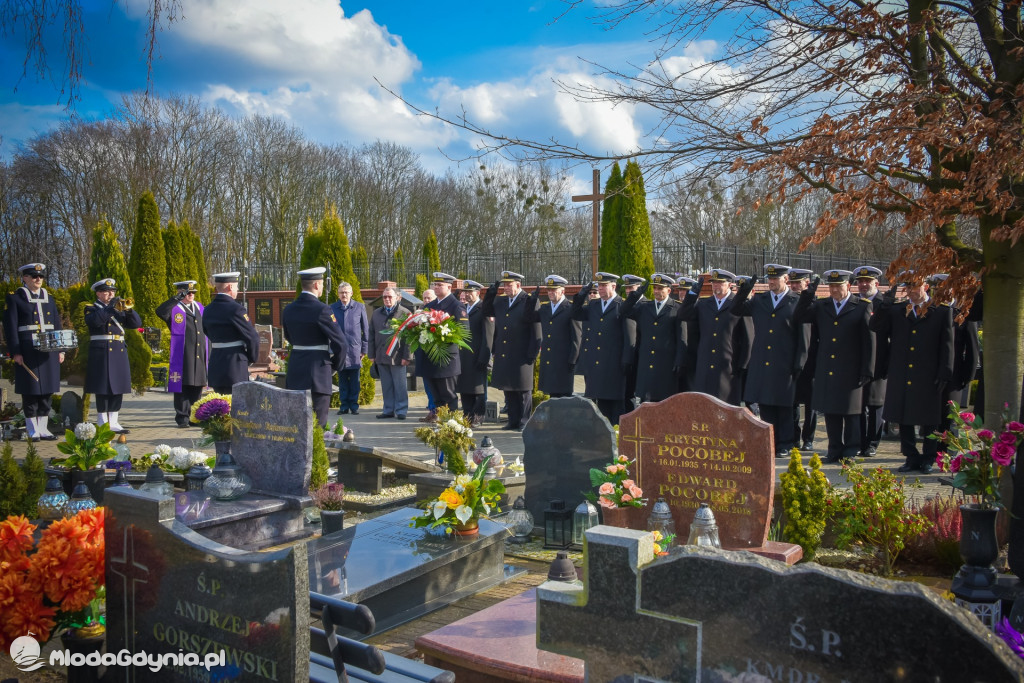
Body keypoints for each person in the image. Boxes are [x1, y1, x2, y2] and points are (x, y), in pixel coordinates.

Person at [869, 272, 954, 473]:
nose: (911, 291)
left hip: (928, 373)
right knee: (903, 415)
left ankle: (929, 457)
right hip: (902, 371)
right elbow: (876, 327)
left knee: (930, 418)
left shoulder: (941, 311)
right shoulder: (897, 310)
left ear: (925, 287)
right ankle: (911, 457)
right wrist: (884, 306)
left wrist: (945, 372)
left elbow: (947, 345)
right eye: (908, 287)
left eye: (915, 287)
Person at [794, 269, 875, 463]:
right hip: (827, 367)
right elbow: (799, 317)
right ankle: (834, 449)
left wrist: (867, 369)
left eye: (838, 286)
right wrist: (807, 295)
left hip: (851, 368)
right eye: (831, 286)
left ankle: (851, 450)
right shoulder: (822, 306)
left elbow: (869, 341)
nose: (834, 290)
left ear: (848, 286)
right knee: (831, 411)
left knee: (851, 412)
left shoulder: (861, 306)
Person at [730, 265, 809, 457]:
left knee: (784, 405)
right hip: (763, 361)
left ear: (786, 280)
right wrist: (744, 291)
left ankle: (785, 443)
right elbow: (736, 309)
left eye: (775, 279)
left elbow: (804, 335)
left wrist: (800, 361)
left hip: (785, 362)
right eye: (769, 279)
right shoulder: (760, 300)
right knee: (766, 404)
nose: (771, 282)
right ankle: (771, 442)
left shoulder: (796, 300)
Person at [2, 263, 65, 440]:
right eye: (34, 276)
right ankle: (32, 430)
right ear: (25, 278)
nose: (38, 279)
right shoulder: (15, 298)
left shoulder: (49, 298)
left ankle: (43, 428)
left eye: (41, 277)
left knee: (47, 391)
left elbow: (57, 325)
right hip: (28, 351)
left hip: (49, 351)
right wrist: (15, 352)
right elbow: (10, 327)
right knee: (30, 391)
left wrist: (60, 350)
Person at [282, 267, 347, 427]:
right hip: (318, 373)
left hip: (295, 371)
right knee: (317, 426)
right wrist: (334, 366)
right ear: (317, 285)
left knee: (296, 425)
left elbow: (289, 337)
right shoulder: (322, 309)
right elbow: (341, 343)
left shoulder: (288, 309)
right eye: (322, 284)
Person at [572, 272, 636, 425]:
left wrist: (627, 360)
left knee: (616, 405)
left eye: (603, 285)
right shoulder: (594, 305)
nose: (600, 288)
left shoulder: (622, 305)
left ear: (613, 286)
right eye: (599, 285)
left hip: (615, 364)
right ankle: (603, 434)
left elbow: (630, 336)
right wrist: (581, 295)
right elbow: (575, 313)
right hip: (596, 364)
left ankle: (616, 433)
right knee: (600, 405)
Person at [679, 269, 751, 405]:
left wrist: (743, 364)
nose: (715, 285)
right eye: (713, 282)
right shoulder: (704, 304)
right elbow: (683, 315)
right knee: (704, 407)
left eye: (719, 282)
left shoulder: (738, 304)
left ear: (729, 284)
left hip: (728, 367)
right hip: (705, 366)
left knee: (727, 408)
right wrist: (692, 295)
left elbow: (748, 337)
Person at [482, 271, 541, 431]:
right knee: (508, 388)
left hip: (522, 353)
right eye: (504, 285)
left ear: (518, 285)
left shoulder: (528, 300)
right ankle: (513, 420)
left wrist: (532, 353)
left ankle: (524, 421)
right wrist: (490, 294)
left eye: (509, 285)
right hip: (504, 351)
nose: (505, 287)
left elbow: (536, 330)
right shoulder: (501, 301)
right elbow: (486, 311)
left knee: (523, 390)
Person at [84, 278, 142, 434]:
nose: (111, 294)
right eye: (106, 291)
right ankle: (102, 421)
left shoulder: (118, 309)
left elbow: (136, 324)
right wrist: (110, 308)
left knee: (118, 387)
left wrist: (128, 310)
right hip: (101, 352)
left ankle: (114, 421)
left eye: (112, 291)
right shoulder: (91, 308)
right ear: (98, 293)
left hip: (118, 350)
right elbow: (95, 322)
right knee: (102, 387)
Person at [621, 273, 686, 403]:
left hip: (666, 365)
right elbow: (624, 311)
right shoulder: (645, 307)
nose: (656, 291)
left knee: (665, 403)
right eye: (655, 288)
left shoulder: (677, 308)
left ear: (669, 290)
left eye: (660, 288)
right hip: (647, 364)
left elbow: (682, 338)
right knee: (646, 403)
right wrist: (635, 295)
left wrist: (679, 361)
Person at [156, 280, 208, 428]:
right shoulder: (174, 309)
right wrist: (176, 298)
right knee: (183, 386)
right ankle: (182, 418)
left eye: (193, 292)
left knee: (197, 385)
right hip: (183, 353)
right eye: (187, 293)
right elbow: (160, 311)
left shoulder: (199, 307)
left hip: (199, 352)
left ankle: (195, 417)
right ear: (180, 293)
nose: (191, 295)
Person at [417, 272, 467, 418]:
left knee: (448, 395)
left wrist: (441, 334)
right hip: (431, 358)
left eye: (440, 285)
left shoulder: (457, 306)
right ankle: (440, 423)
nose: (436, 287)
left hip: (446, 359)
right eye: (435, 284)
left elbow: (463, 332)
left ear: (449, 287)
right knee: (436, 397)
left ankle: (451, 424)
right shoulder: (430, 306)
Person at [202, 271, 261, 395]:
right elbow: (253, 337)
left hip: (216, 363)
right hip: (235, 365)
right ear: (230, 287)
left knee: (219, 404)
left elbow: (206, 331)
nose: (238, 289)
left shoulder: (207, 309)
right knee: (236, 404)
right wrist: (250, 358)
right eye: (236, 286)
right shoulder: (236, 309)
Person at [853, 266, 888, 457]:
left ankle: (873, 443)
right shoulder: (855, 303)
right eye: (860, 282)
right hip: (858, 361)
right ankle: (860, 441)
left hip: (879, 362)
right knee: (858, 404)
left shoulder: (884, 304)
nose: (863, 285)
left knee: (875, 404)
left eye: (867, 281)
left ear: (877, 283)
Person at [369, 286, 412, 420]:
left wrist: (407, 356)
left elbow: (409, 338)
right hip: (381, 355)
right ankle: (388, 410)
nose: (387, 299)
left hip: (398, 357)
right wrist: (371, 354)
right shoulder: (376, 313)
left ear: (397, 298)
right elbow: (371, 334)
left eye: (390, 297)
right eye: (384, 297)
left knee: (400, 385)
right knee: (386, 385)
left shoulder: (405, 313)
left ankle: (401, 410)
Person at [536, 274, 582, 399]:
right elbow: (528, 318)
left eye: (554, 290)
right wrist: (531, 302)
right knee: (552, 399)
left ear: (562, 291)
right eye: (549, 290)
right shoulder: (545, 308)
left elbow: (577, 337)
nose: (550, 292)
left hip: (564, 363)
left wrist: (573, 361)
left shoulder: (570, 308)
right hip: (549, 361)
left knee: (564, 400)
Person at [788, 269, 818, 450]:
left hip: (811, 360)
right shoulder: (790, 301)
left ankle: (809, 438)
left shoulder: (815, 302)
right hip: (792, 359)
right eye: (792, 283)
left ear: (807, 283)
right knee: (793, 401)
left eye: (798, 283)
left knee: (811, 403)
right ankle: (794, 437)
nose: (794, 286)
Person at [456, 280, 493, 425]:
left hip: (478, 356)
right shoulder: (463, 308)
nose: (467, 295)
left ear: (477, 293)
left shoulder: (484, 308)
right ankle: (467, 416)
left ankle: (477, 417)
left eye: (470, 292)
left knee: (478, 389)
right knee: (465, 387)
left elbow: (488, 335)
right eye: (465, 292)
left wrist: (484, 358)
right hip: (464, 356)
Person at [329, 282, 368, 416]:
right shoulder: (332, 308)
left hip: (355, 350)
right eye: (341, 292)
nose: (344, 295)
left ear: (351, 293)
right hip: (339, 350)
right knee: (342, 380)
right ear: (338, 294)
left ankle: (354, 406)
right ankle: (344, 406)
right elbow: (330, 328)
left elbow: (365, 329)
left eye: (346, 292)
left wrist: (364, 349)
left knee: (355, 381)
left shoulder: (359, 307)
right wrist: (331, 349)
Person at [620, 274, 647, 412]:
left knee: (641, 395)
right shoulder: (626, 304)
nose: (628, 291)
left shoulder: (645, 305)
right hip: (627, 356)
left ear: (639, 288)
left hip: (640, 356)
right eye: (626, 288)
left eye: (631, 288)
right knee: (627, 393)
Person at [417, 287, 439, 421]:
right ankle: (432, 411)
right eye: (424, 298)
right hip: (423, 355)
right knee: (427, 386)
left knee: (435, 387)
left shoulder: (438, 313)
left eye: (429, 298)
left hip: (436, 355)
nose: (426, 300)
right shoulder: (419, 313)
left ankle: (437, 411)